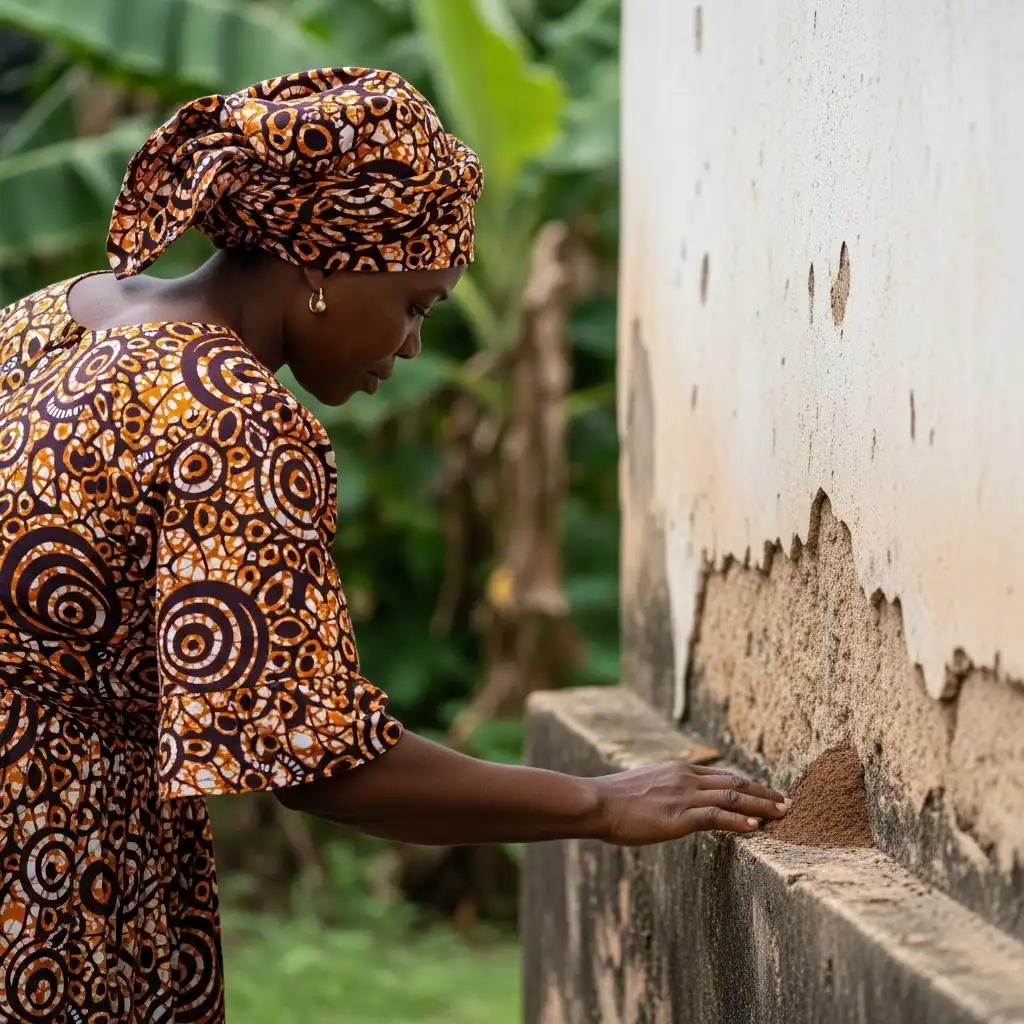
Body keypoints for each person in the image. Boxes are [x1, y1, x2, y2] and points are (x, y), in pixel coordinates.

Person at [0, 67, 789, 1022]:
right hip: (50, 871)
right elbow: (317, 764)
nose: (413, 345)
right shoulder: (230, 421)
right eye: (417, 302)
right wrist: (599, 804)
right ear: (324, 263)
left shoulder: (56, 316)